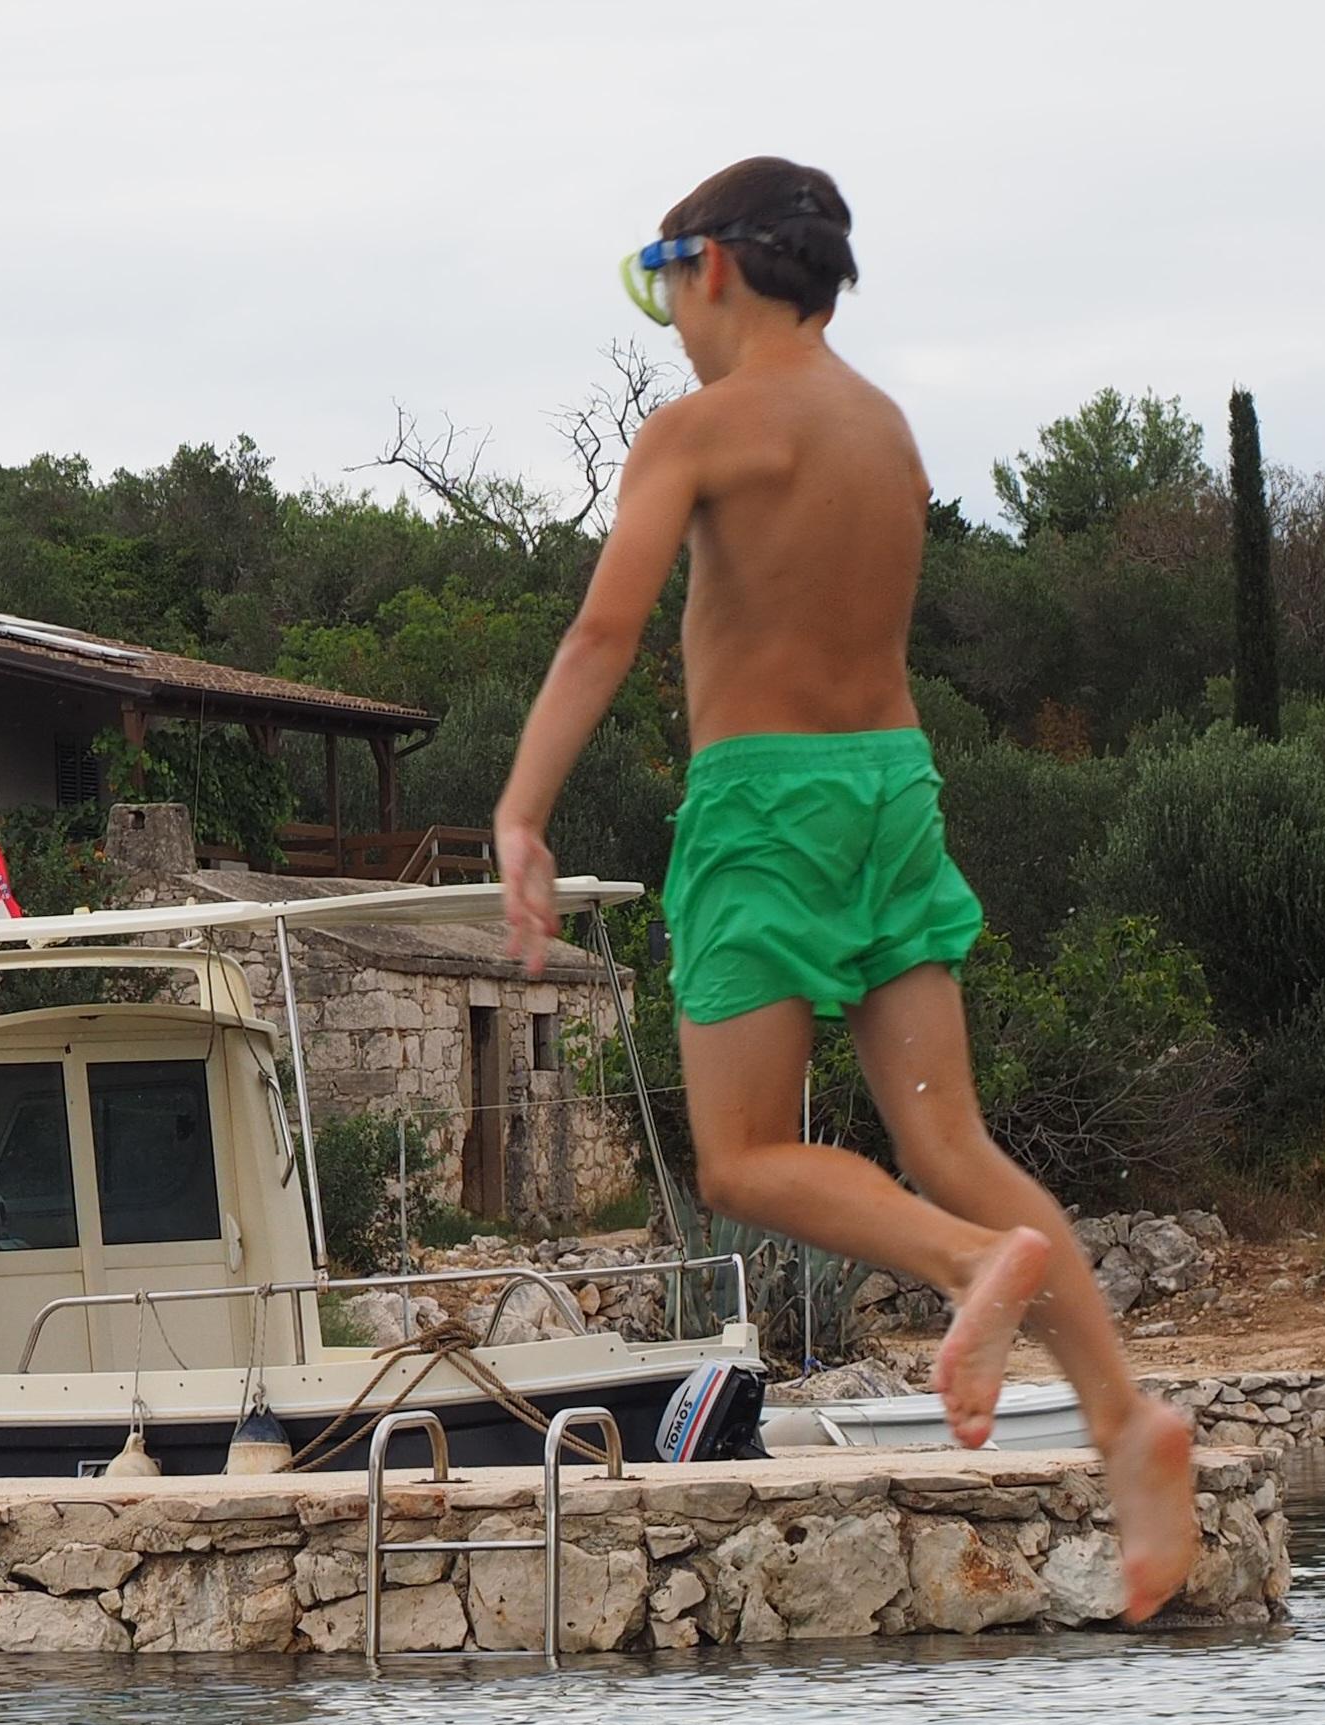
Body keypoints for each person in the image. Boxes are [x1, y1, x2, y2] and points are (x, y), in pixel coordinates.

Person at [494, 155, 1198, 1620]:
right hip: (896, 790)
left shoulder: (701, 428)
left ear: (721, 271)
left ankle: (967, 1268)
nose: (668, 316)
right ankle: (1127, 1421)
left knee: (743, 1159)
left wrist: (520, 812)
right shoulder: (885, 430)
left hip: (769, 808)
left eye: (661, 281)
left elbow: (602, 633)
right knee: (953, 1137)